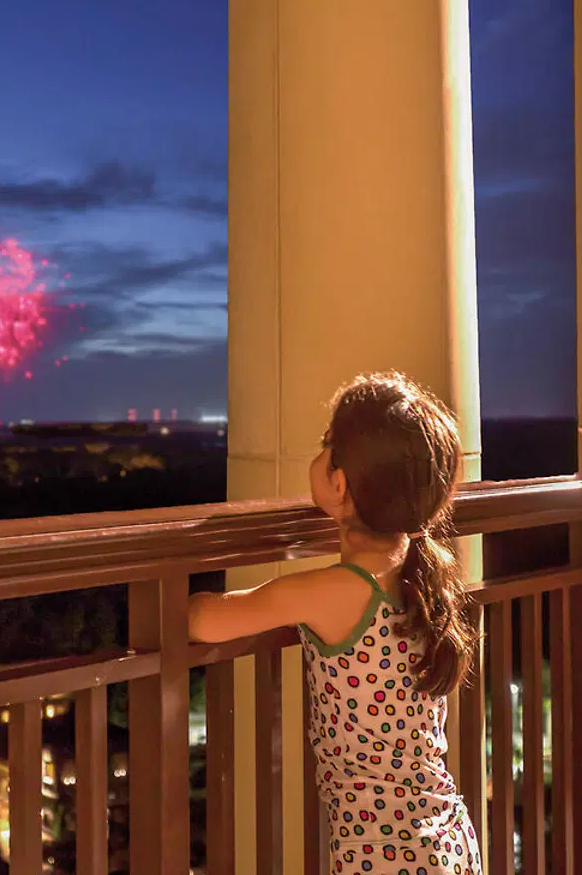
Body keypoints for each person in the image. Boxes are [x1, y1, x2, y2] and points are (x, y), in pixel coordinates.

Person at [188, 372, 481, 875]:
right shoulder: (422, 572)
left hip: (385, 858)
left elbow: (203, 621)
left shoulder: (334, 591)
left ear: (339, 483)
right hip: (445, 839)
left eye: (328, 446)